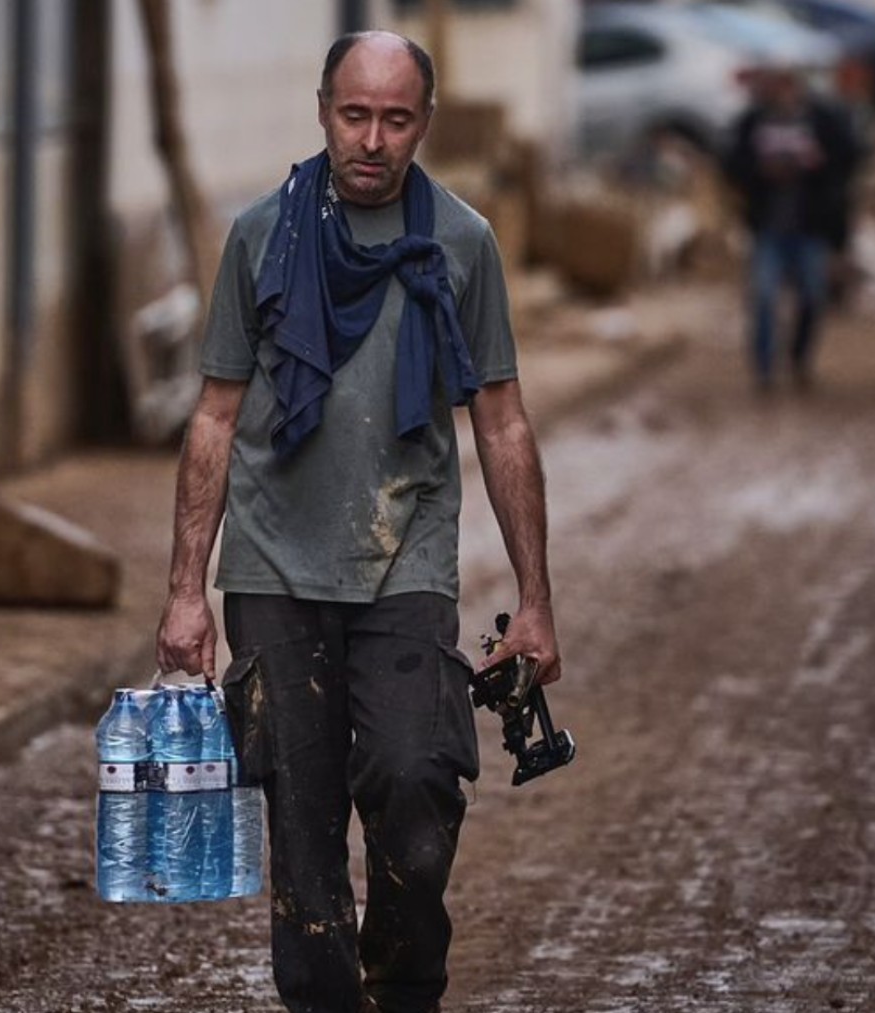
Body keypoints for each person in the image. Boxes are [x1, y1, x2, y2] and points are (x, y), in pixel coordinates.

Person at [154, 30, 561, 1013]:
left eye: (395, 118)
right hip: (273, 568)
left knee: (418, 782)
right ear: (324, 111)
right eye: (354, 114)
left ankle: (405, 983)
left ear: (424, 121)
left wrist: (538, 602)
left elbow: (501, 421)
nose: (372, 139)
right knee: (301, 825)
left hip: (405, 562)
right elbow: (213, 417)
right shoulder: (261, 237)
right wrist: (184, 593)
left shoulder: (461, 242)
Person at [725, 64, 860, 392]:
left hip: (809, 228)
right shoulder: (753, 122)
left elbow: (847, 163)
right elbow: (732, 164)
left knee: (812, 297)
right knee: (765, 297)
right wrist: (759, 173)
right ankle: (764, 369)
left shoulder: (823, 122)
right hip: (768, 228)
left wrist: (817, 168)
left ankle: (799, 360)